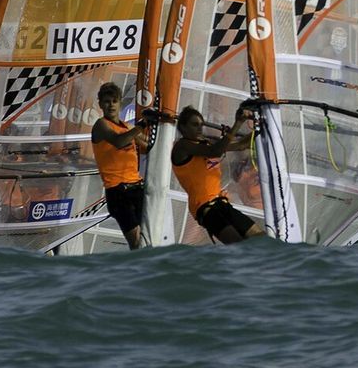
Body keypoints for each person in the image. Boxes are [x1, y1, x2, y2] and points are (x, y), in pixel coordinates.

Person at [171, 104, 263, 244]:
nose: (199, 128)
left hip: (221, 203)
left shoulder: (205, 144)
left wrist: (259, 129)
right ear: (183, 127)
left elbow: (240, 146)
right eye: (194, 125)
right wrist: (238, 123)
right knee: (237, 243)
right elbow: (216, 151)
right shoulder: (182, 146)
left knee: (260, 237)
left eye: (201, 125)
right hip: (206, 208)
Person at [90, 82, 149, 249]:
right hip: (118, 192)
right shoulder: (101, 125)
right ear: (100, 104)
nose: (111, 105)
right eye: (107, 101)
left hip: (137, 188)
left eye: (114, 101)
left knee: (148, 238)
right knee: (136, 243)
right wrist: (141, 126)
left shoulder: (127, 127)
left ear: (120, 103)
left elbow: (148, 145)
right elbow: (118, 141)